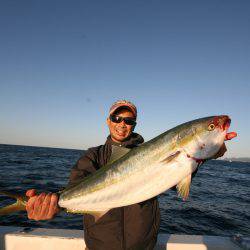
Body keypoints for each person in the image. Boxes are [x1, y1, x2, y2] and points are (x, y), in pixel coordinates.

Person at [26, 100, 227, 250]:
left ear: (134, 124)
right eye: (117, 118)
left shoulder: (158, 152)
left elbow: (177, 178)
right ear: (108, 121)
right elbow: (75, 191)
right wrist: (51, 205)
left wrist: (206, 155)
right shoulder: (93, 156)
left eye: (129, 120)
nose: (122, 124)